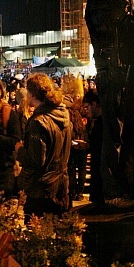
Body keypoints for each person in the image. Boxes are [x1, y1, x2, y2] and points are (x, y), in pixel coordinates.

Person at [83, 0, 134, 207]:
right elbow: (106, 26)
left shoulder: (119, 0)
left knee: (122, 130)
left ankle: (120, 187)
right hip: (110, 70)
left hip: (122, 68)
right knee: (113, 132)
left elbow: (131, 29)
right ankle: (112, 192)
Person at [15, 74, 78, 213]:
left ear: (32, 94)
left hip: (41, 190)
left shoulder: (39, 121)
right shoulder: (63, 115)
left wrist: (19, 150)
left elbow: (36, 160)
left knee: (38, 225)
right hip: (61, 186)